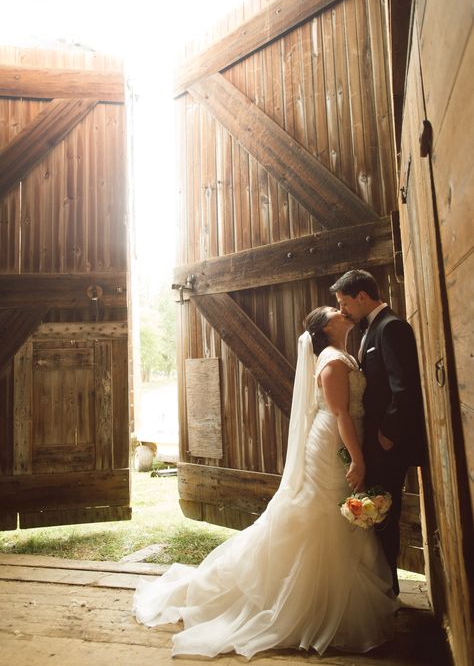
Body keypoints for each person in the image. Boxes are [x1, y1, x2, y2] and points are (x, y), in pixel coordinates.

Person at [133, 306, 398, 658]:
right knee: (322, 510)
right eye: (334, 310)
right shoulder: (332, 361)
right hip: (334, 440)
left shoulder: (343, 353)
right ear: (325, 327)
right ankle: (310, 600)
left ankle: (328, 595)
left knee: (333, 512)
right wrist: (359, 458)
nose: (340, 310)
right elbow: (339, 413)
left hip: (346, 435)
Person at [330, 269, 425, 595]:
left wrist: (388, 433)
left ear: (362, 296)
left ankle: (389, 591)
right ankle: (384, 587)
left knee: (384, 514)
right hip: (373, 443)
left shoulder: (392, 327)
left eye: (345, 302)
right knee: (378, 515)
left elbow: (405, 388)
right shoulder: (371, 330)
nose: (343, 310)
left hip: (387, 444)